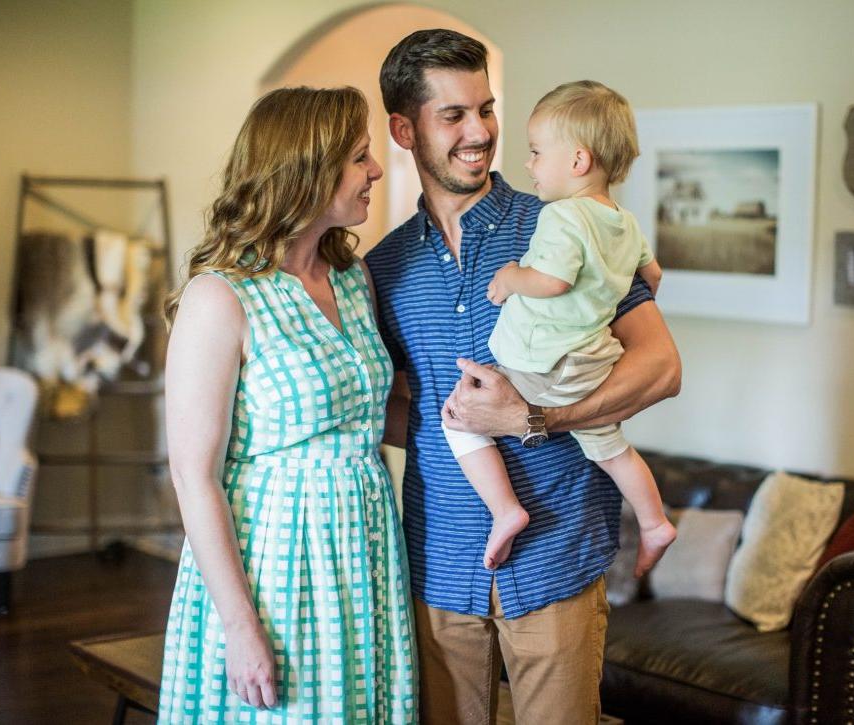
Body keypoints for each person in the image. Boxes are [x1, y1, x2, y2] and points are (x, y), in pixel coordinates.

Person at [365, 29, 681, 725]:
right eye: (452, 115)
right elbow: (391, 405)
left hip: (556, 557)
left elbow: (661, 368)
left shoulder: (563, 223)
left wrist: (534, 419)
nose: (479, 131)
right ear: (402, 128)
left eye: (485, 108)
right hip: (438, 564)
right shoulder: (383, 267)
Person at [157, 86, 417, 724]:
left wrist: (513, 422)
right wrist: (241, 626)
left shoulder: (353, 281)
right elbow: (194, 475)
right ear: (308, 170)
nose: (376, 171)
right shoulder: (221, 298)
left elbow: (367, 415)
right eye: (360, 158)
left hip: (365, 547)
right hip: (276, 560)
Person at [443, 80, 677, 573]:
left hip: (548, 364)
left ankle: (506, 509)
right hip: (593, 361)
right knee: (611, 449)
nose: (528, 164)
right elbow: (652, 276)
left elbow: (551, 280)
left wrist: (510, 278)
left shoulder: (561, 216)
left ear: (577, 162)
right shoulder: (625, 221)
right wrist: (607, 301)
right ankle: (655, 522)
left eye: (535, 153)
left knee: (460, 412)